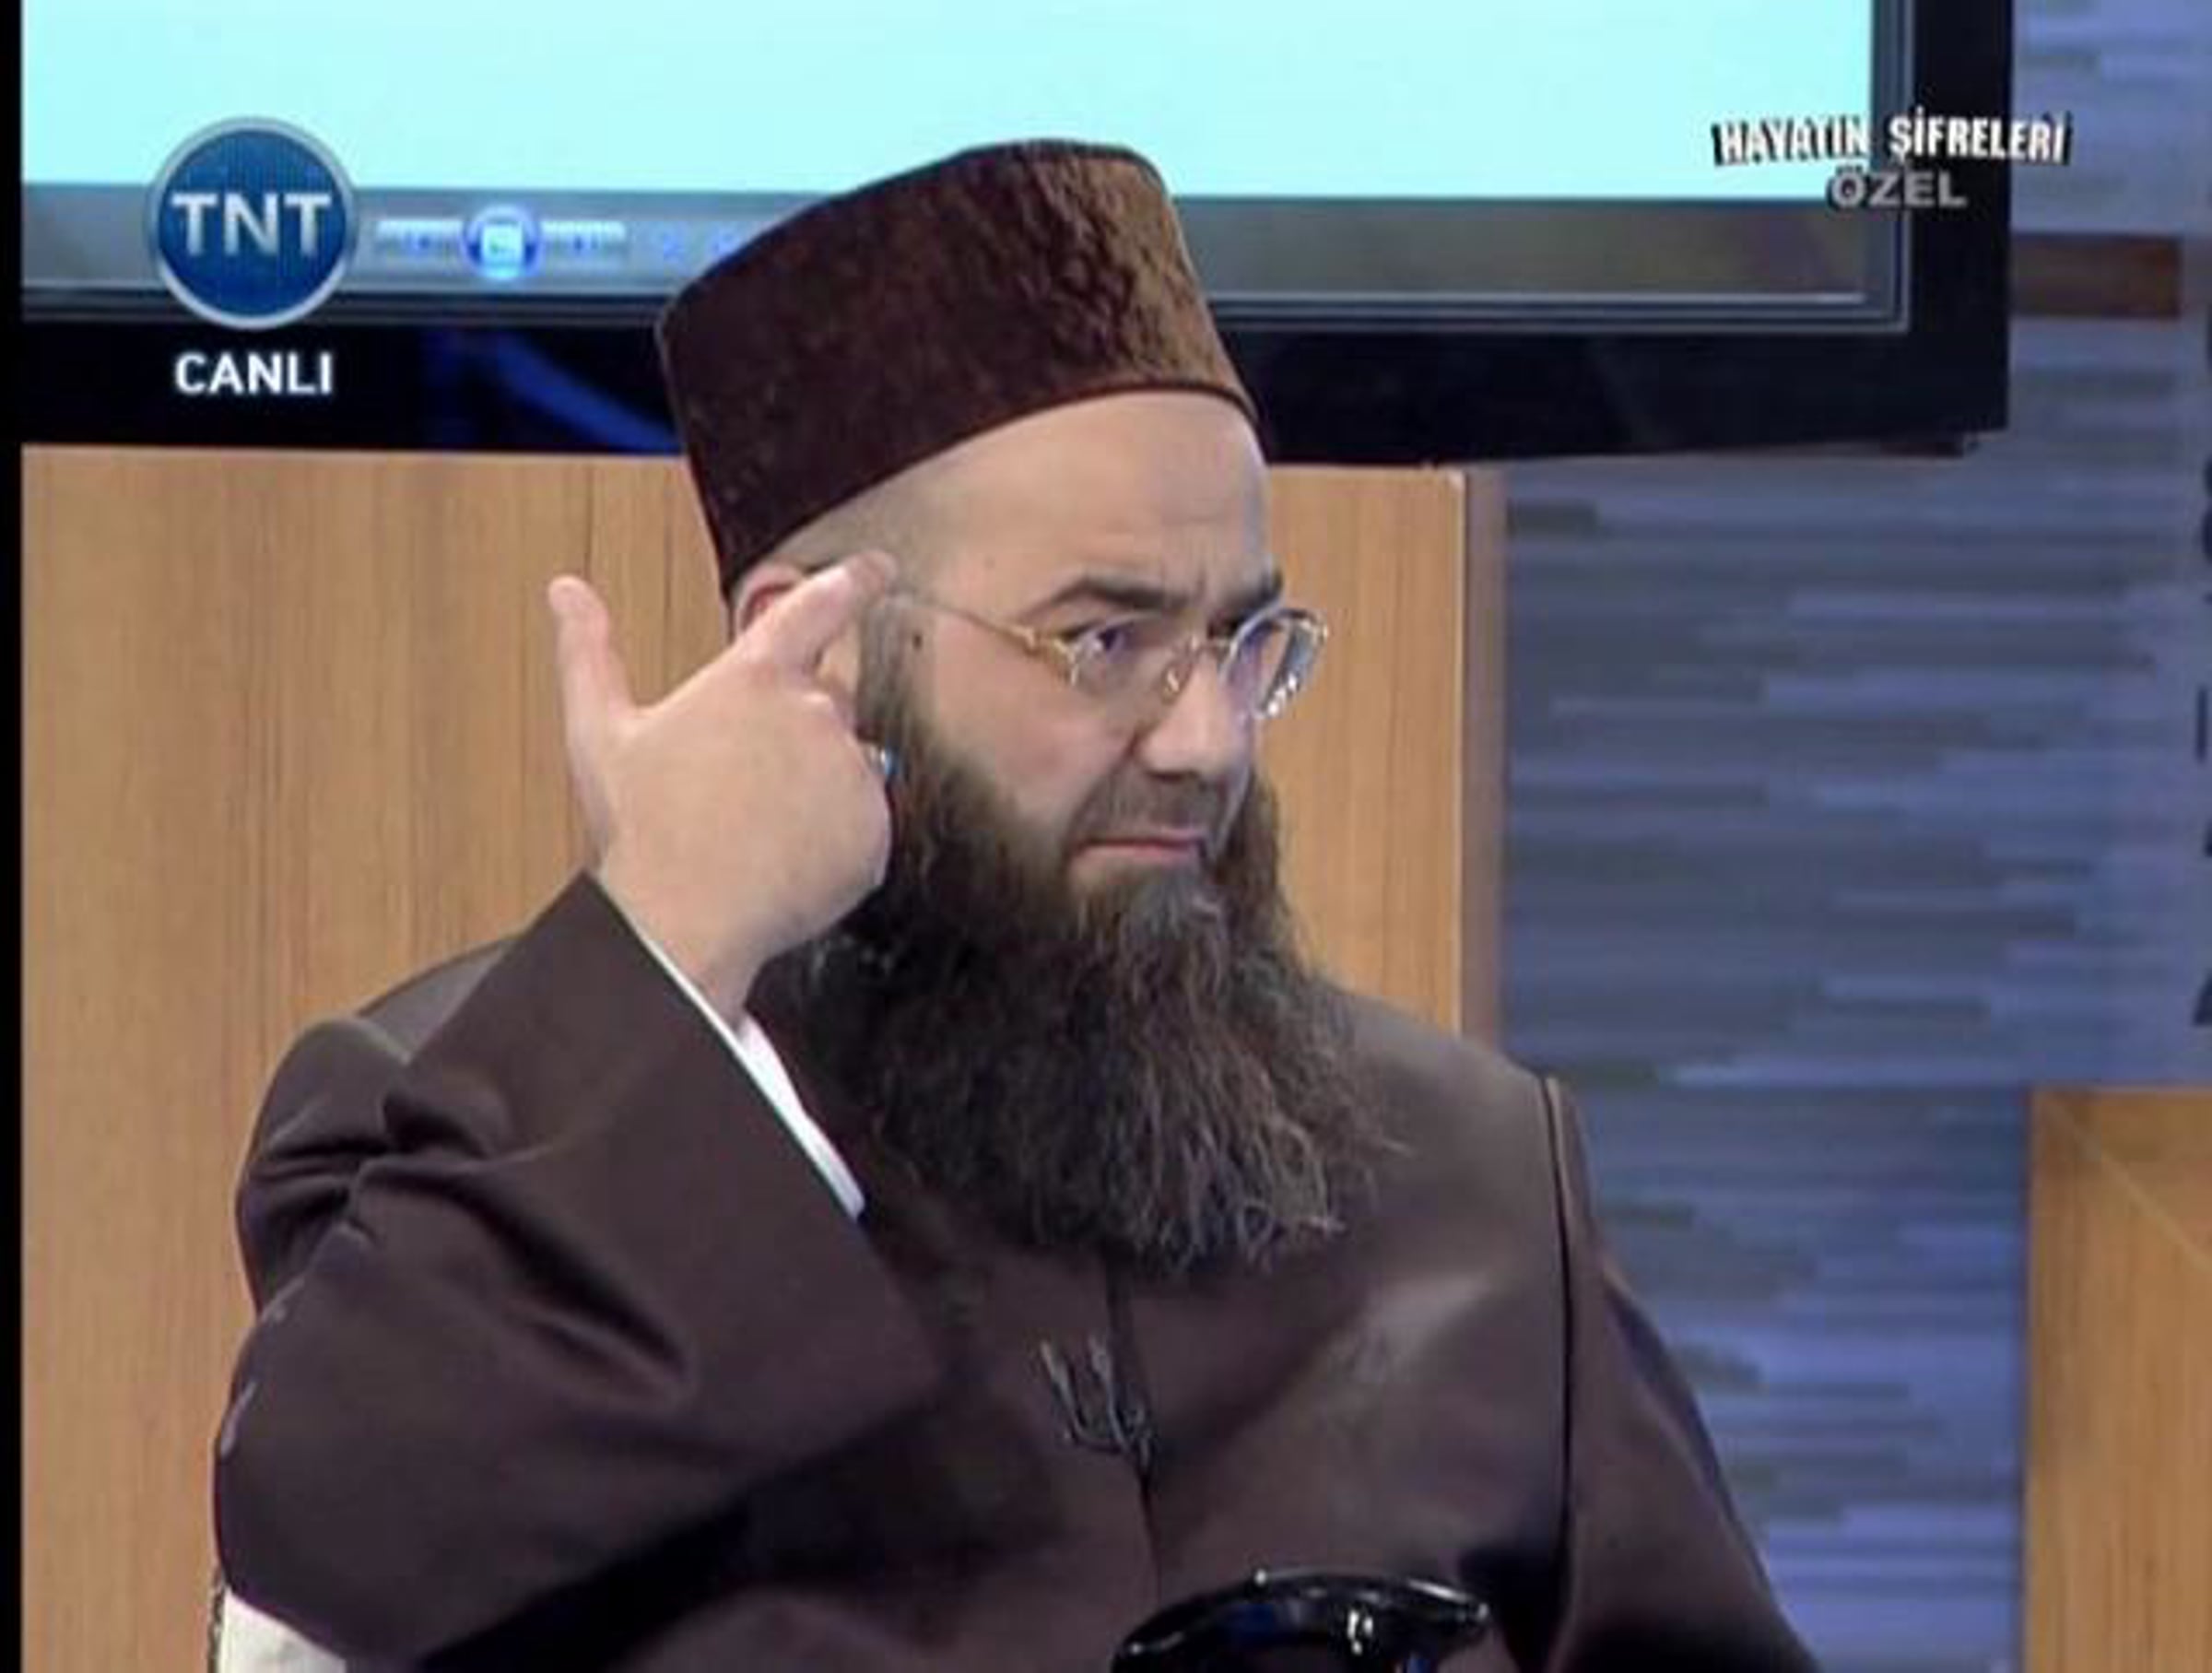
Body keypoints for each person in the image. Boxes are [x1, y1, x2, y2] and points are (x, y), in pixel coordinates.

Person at [211, 139, 1817, 1672]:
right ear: (821, 649)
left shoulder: (1475, 1180)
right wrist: (673, 941)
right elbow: (339, 1535)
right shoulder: (451, 1112)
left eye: (1243, 644)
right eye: (1106, 643)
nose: (1206, 741)